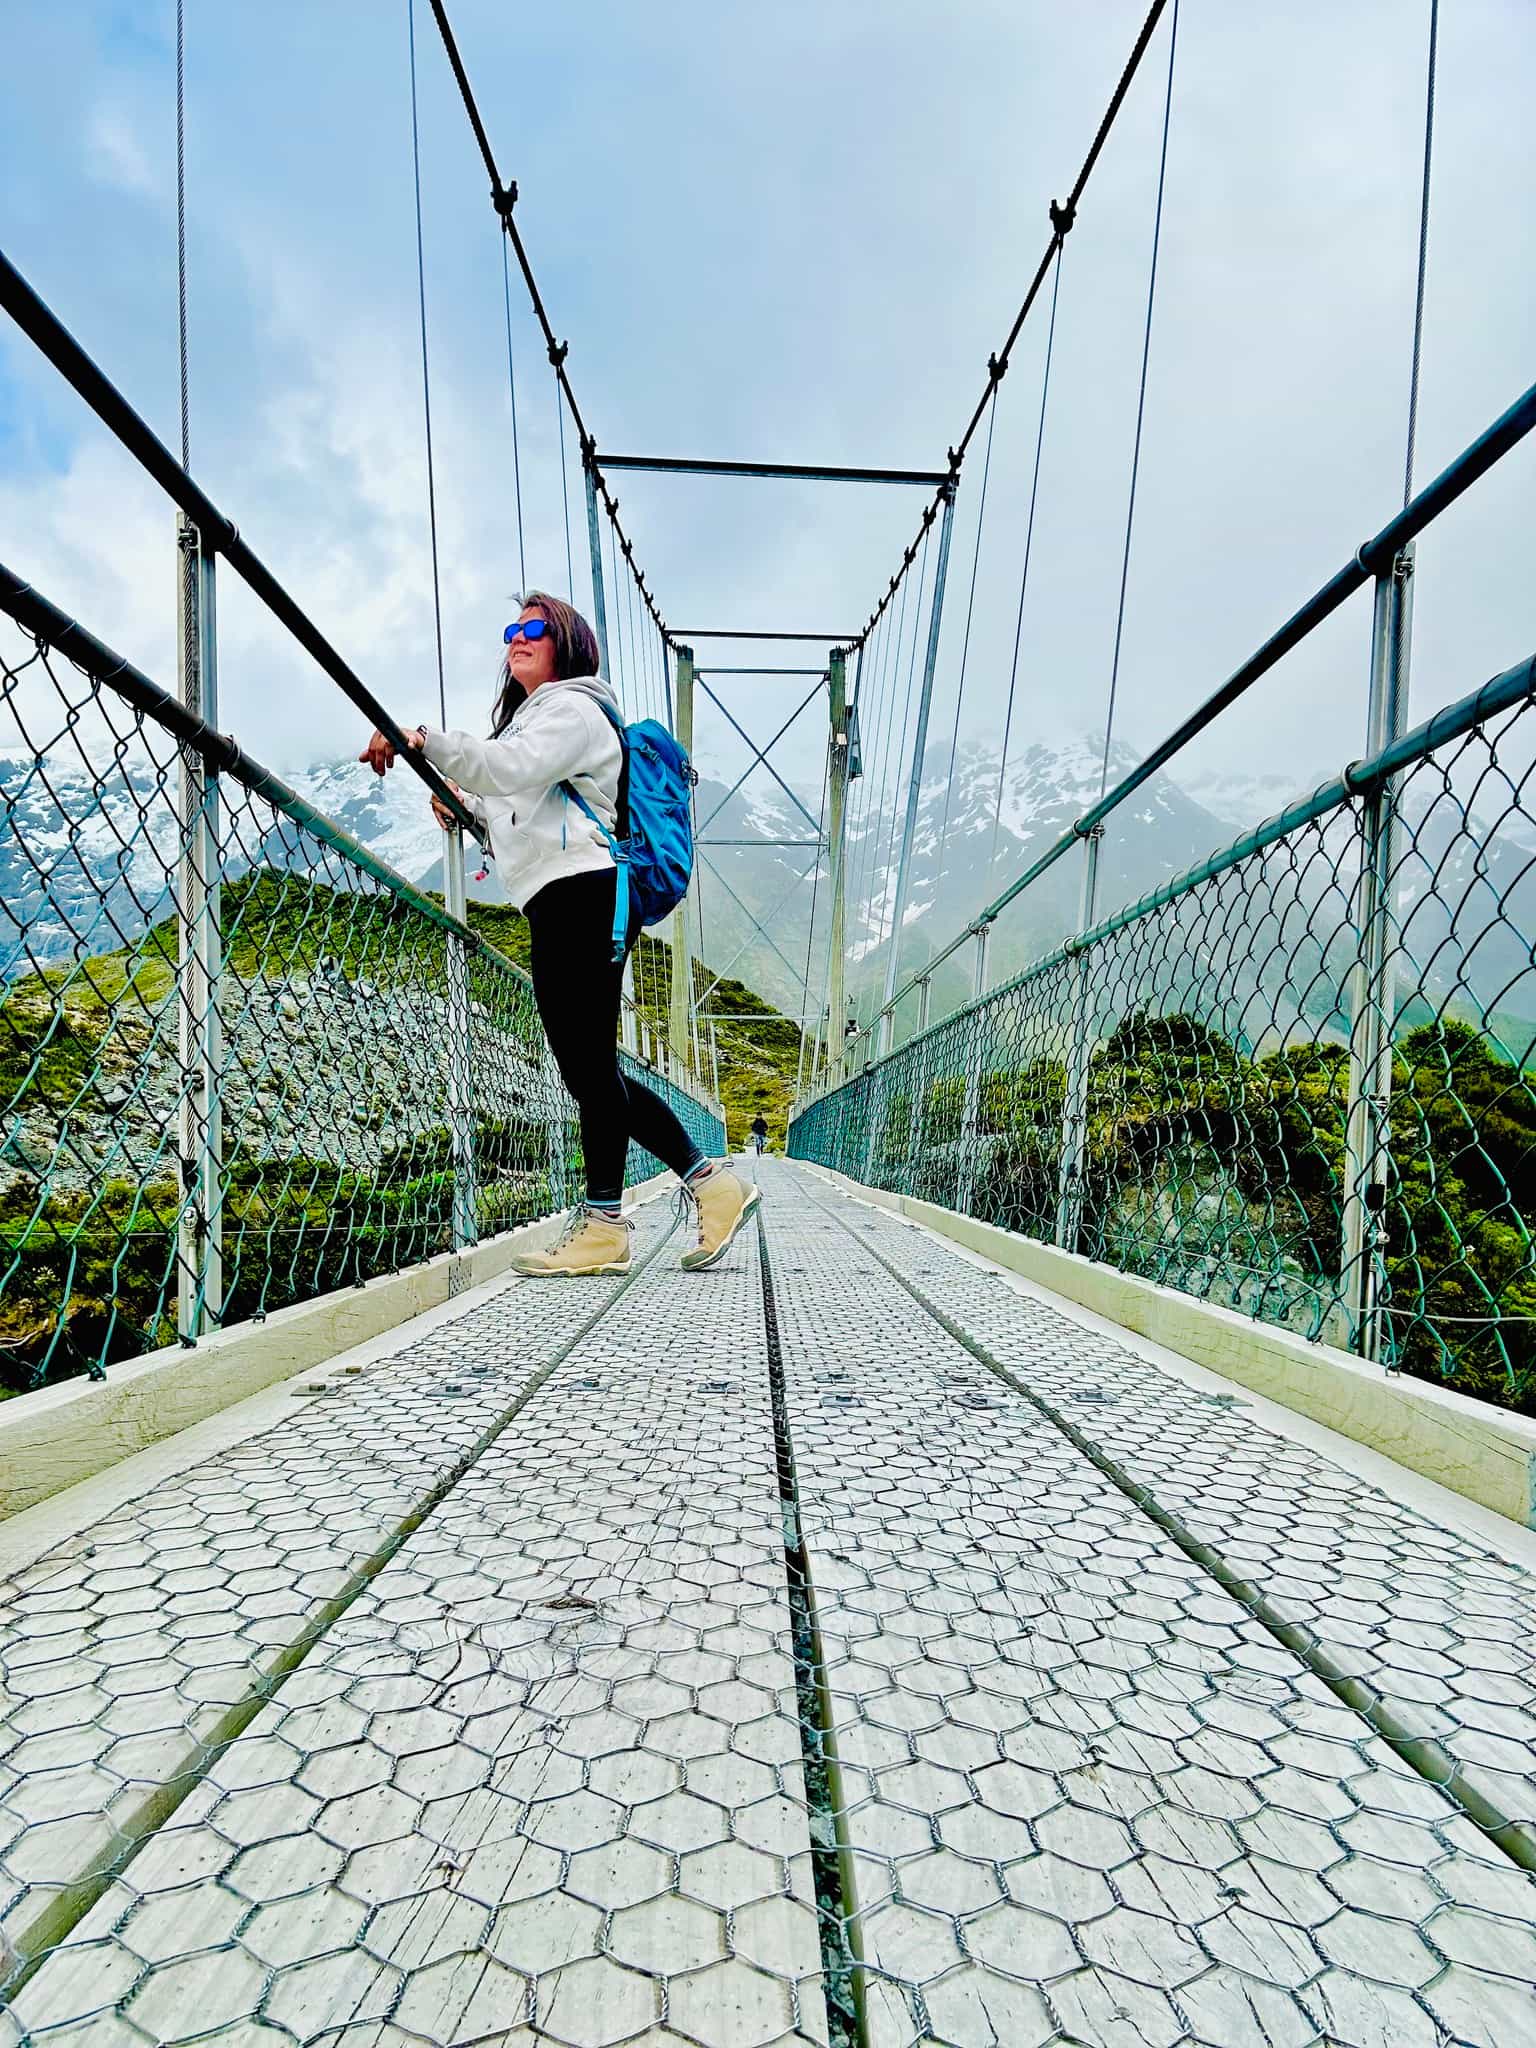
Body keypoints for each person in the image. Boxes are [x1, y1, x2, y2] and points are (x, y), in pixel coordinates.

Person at [359, 592, 758, 1275]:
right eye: (511, 629)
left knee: (587, 1068)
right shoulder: (536, 722)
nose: (517, 638)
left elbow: (509, 769)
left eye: (534, 628)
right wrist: (468, 808)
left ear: (567, 642)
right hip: (559, 897)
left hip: (585, 892)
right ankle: (706, 1185)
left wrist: (424, 739)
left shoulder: (574, 709)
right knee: (590, 1069)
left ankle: (609, 1226)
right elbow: (520, 803)